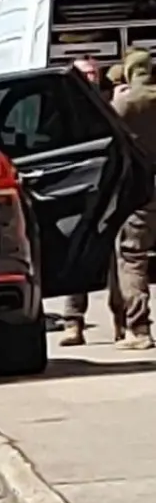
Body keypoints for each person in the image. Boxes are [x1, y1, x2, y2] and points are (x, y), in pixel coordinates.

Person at [109, 49, 156, 350]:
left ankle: (138, 328)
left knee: (132, 257)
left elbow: (107, 132)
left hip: (141, 188)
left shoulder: (125, 102)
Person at [61, 57, 103, 346]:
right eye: (84, 74)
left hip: (110, 189)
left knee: (116, 261)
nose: (90, 79)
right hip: (78, 191)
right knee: (79, 256)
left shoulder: (111, 105)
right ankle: (73, 323)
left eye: (93, 74)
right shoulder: (63, 108)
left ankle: (126, 324)